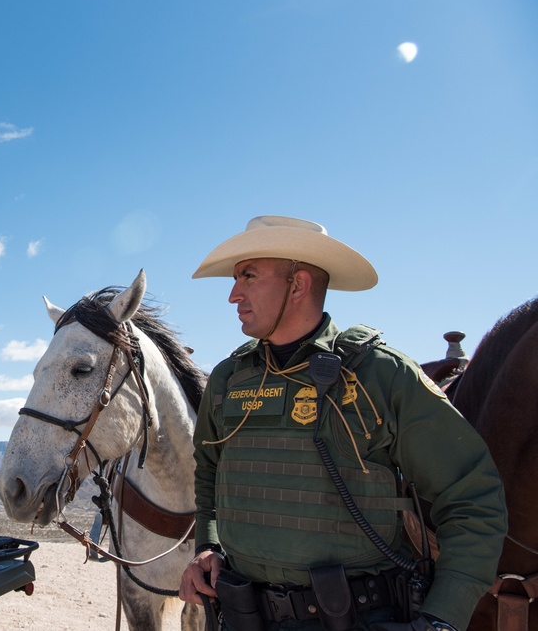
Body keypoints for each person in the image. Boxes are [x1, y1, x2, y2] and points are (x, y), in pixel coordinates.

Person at [179, 215, 507, 631]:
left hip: (357, 617)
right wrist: (208, 546)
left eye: (248, 276)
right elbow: (209, 470)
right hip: (241, 616)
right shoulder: (229, 378)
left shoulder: (381, 375)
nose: (232, 295)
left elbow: (473, 498)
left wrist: (443, 620)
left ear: (297, 285)